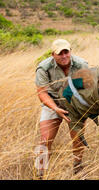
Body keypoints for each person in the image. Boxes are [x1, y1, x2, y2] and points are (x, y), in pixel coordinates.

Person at [35, 39, 89, 176]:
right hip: (52, 104)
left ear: (70, 51)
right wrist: (55, 108)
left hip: (74, 105)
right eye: (60, 53)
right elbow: (42, 92)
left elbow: (88, 88)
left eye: (66, 52)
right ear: (53, 54)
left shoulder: (82, 64)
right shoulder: (44, 67)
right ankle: (40, 173)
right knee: (44, 140)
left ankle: (77, 168)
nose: (64, 56)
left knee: (77, 139)